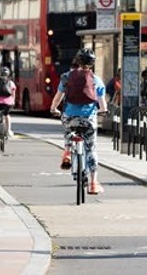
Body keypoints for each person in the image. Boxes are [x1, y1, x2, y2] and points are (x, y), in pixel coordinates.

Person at [50, 48, 108, 195]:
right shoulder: (96, 80)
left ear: (77, 60)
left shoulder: (66, 77)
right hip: (88, 119)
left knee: (68, 132)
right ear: (92, 64)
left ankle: (68, 152)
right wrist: (102, 111)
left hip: (69, 117)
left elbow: (58, 97)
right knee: (91, 149)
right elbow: (102, 104)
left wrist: (54, 108)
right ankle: (93, 184)